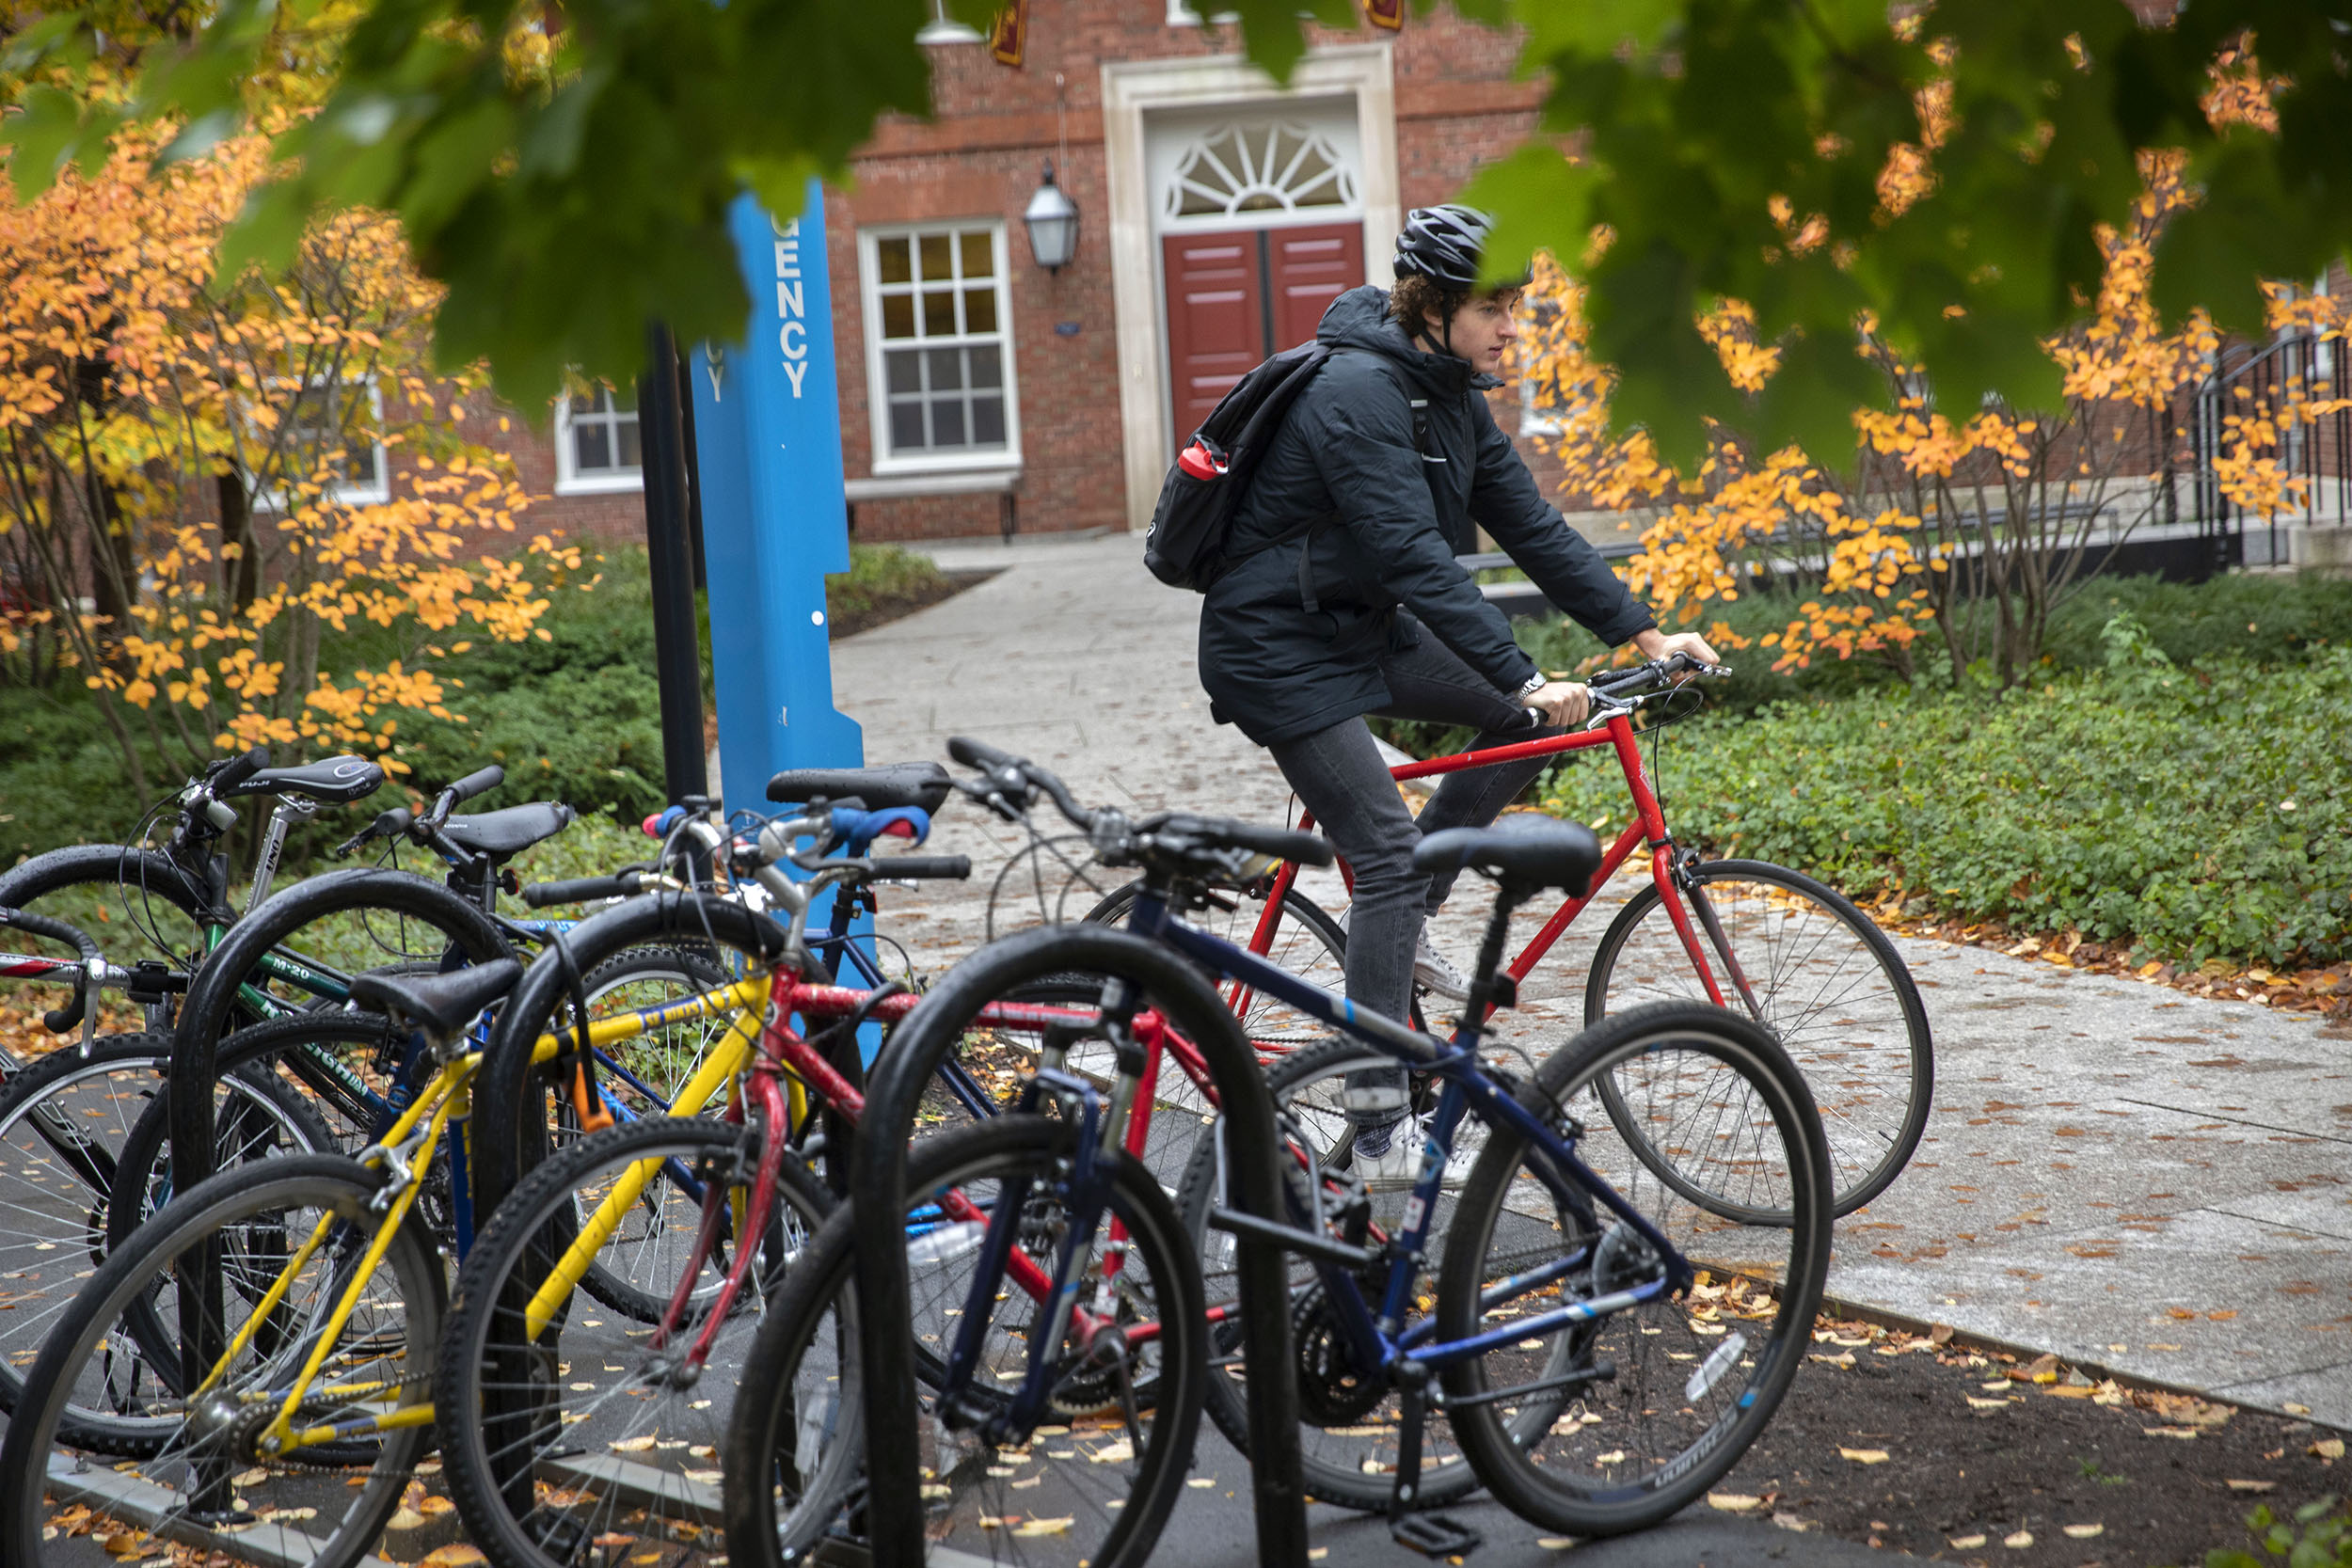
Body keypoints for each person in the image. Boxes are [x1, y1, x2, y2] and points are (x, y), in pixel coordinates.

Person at [1195, 204, 1716, 1181]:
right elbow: (1414, 557)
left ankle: (1409, 918)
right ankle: (1381, 1120)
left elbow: (1532, 524)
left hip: (1359, 629)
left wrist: (1643, 629)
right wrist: (1520, 669)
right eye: (1494, 308)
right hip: (1275, 648)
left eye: (1516, 306)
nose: (1512, 327)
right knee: (1384, 849)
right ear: (1431, 305)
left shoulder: (1449, 393)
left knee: (1534, 729)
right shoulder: (1353, 391)